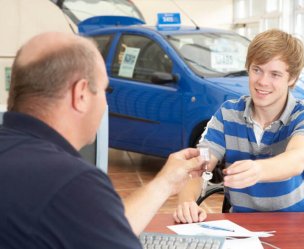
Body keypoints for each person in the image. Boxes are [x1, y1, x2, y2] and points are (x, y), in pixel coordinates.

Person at [0, 32, 204, 248]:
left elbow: (97, 227)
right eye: (104, 90)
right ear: (81, 94)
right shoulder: (70, 183)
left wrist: (165, 183)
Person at [173, 29, 304, 224]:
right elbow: (200, 164)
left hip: (301, 225)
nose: (263, 81)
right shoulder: (227, 114)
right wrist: (187, 201)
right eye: (257, 70)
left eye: (275, 74)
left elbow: (296, 159)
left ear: (292, 78)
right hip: (243, 228)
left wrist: (259, 170)